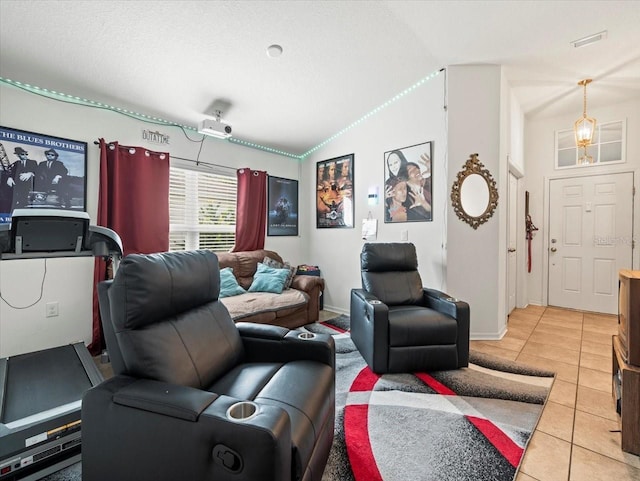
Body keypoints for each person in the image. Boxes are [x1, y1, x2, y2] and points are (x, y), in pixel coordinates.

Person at [6, 147, 37, 211]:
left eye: (26, 154)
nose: (25, 156)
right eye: (22, 154)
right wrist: (10, 178)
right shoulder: (16, 164)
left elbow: (38, 171)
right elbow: (11, 172)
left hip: (29, 187)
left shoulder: (33, 162)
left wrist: (30, 173)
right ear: (18, 155)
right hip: (18, 188)